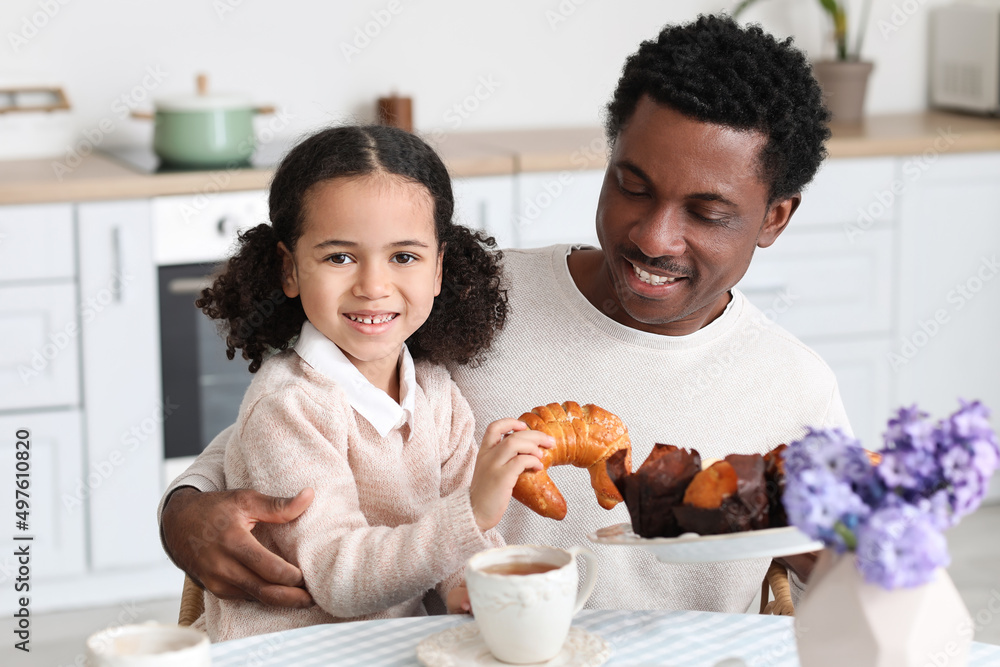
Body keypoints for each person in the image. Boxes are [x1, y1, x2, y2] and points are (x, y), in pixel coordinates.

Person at [160, 14, 848, 613]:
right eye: (632, 187)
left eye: (706, 213)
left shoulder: (794, 388)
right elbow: (304, 409)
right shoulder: (472, 296)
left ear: (774, 218)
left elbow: (856, 574)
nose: (653, 236)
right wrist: (182, 509)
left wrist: (850, 563)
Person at [185, 124, 554, 641]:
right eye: (340, 257)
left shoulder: (436, 392)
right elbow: (339, 577)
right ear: (289, 270)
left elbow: (455, 545)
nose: (373, 286)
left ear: (439, 269)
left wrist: (465, 586)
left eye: (404, 257)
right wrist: (471, 509)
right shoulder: (289, 407)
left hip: (387, 649)